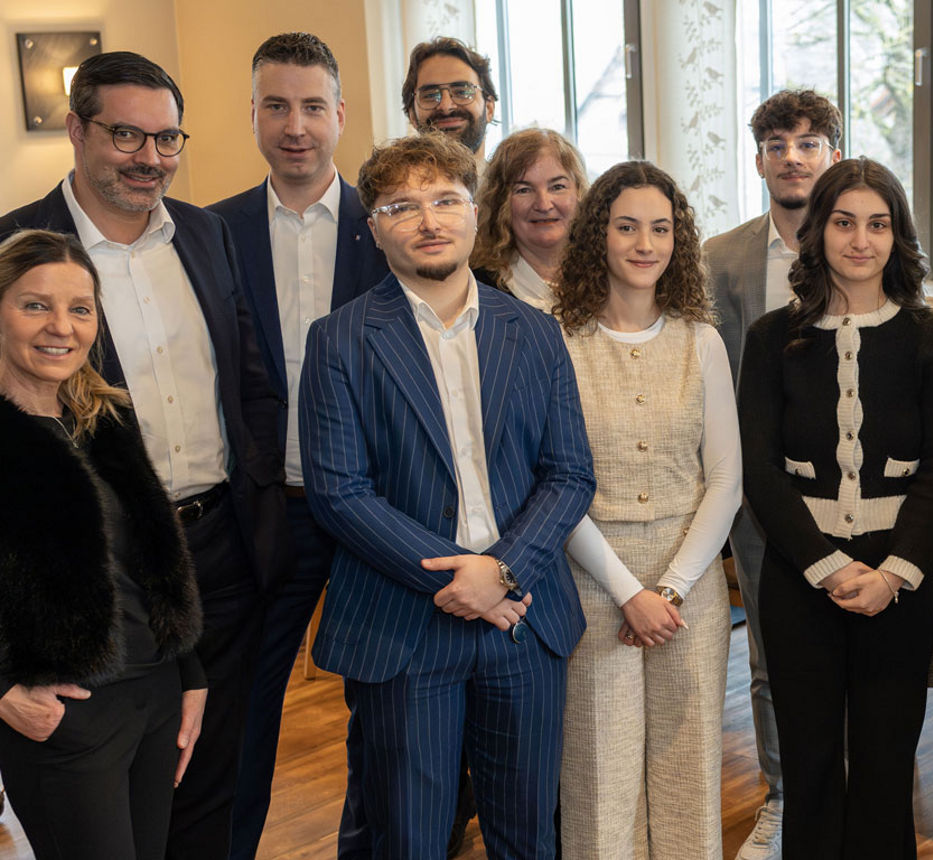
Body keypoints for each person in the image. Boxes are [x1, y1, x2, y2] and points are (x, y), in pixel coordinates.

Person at [0, 51, 290, 860]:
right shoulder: (19, 247)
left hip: (214, 553)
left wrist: (258, 485)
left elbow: (251, 377)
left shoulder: (205, 231)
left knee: (211, 784)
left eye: (167, 138)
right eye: (127, 134)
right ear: (76, 130)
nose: (150, 157)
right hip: (82, 572)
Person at [299, 132, 595, 859]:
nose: (428, 220)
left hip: (523, 620)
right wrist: (462, 575)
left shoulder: (534, 333)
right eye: (402, 206)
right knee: (411, 839)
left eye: (444, 200)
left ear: (472, 213)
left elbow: (570, 473)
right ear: (373, 228)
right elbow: (340, 493)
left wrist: (501, 572)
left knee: (528, 835)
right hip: (404, 628)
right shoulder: (338, 341)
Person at [738, 157, 933, 858]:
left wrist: (893, 573)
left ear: (898, 236)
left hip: (897, 585)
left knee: (885, 765)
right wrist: (830, 569)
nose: (860, 240)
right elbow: (759, 469)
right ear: (818, 230)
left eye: (878, 223)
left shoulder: (930, 337)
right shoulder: (771, 337)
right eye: (843, 222)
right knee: (805, 768)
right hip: (800, 581)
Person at [207, 32, 389, 860]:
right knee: (241, 714)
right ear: (253, 116)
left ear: (340, 115)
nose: (295, 125)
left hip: (375, 510)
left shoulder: (387, 228)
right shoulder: (208, 233)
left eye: (313, 106)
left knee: (380, 712)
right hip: (265, 513)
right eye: (276, 106)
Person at [552, 161, 741, 858]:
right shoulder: (559, 342)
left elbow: (724, 482)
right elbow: (556, 485)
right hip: (591, 585)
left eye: (660, 228)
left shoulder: (702, 340)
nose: (644, 243)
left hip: (687, 590)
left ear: (678, 240)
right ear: (597, 235)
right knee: (599, 777)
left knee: (688, 771)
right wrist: (630, 593)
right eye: (626, 226)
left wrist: (671, 588)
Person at [0, 228, 205, 859]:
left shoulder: (104, 417)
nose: (61, 326)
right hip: (61, 710)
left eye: (80, 308)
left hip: (154, 698)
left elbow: (151, 558)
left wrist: (188, 671)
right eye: (35, 304)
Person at [703, 87, 841, 860]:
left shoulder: (868, 246)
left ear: (833, 156)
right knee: (770, 657)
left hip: (857, 494)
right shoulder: (719, 258)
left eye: (809, 142)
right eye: (778, 144)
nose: (793, 157)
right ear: (758, 160)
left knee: (852, 650)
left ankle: (846, 792)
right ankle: (787, 798)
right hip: (759, 498)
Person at [472, 128, 589, 312]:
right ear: (500, 202)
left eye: (557, 187)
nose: (543, 205)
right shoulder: (478, 291)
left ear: (579, 193)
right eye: (524, 190)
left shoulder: (608, 278)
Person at [402, 37, 498, 163]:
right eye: (430, 95)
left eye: (462, 92)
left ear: (489, 109)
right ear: (412, 115)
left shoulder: (516, 181)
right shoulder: (389, 183)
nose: (446, 107)